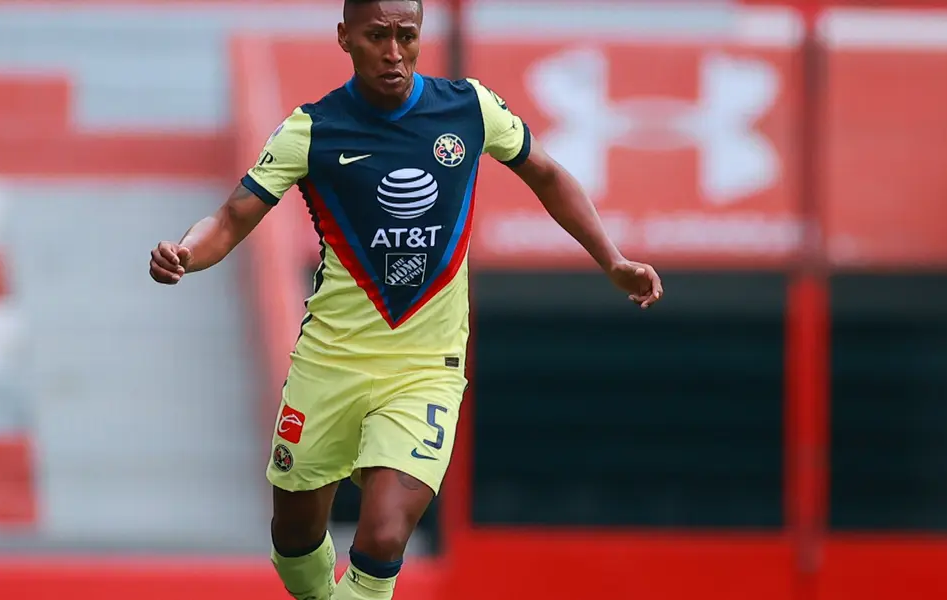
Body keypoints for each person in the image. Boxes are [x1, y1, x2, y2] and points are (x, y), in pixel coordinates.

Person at [149, 0, 663, 597]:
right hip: (330, 362)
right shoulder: (311, 130)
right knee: (293, 536)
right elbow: (232, 218)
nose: (393, 52)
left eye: (406, 35)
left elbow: (546, 173)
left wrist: (613, 259)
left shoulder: (470, 108)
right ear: (345, 38)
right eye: (376, 36)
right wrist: (186, 253)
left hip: (425, 369)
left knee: (385, 535)